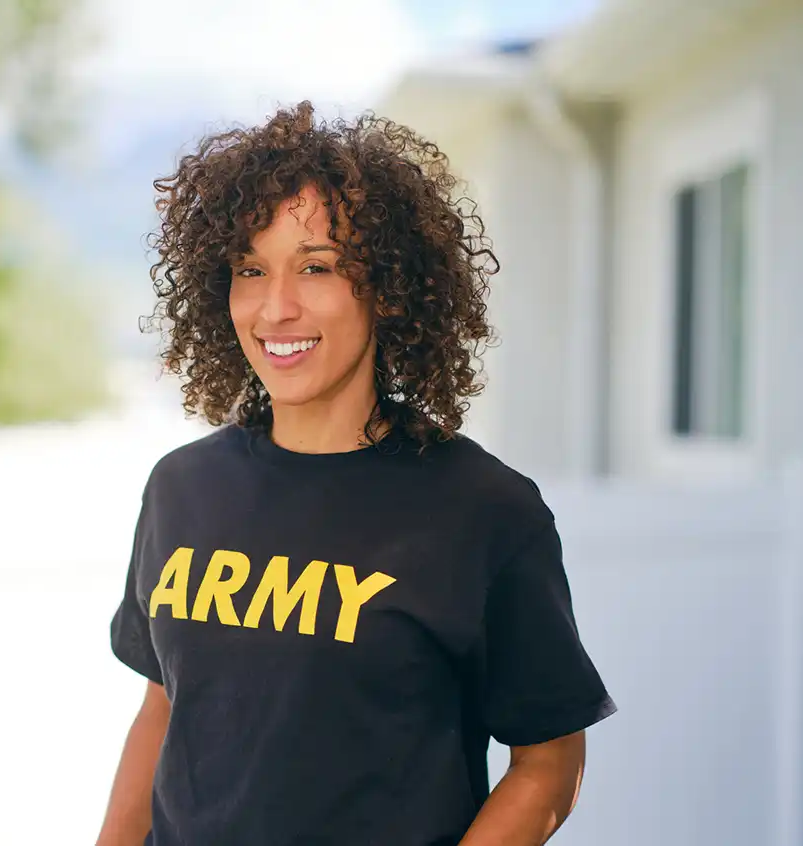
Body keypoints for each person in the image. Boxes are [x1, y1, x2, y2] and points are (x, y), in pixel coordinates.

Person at [93, 102, 615, 846]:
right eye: (250, 270)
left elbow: (549, 763)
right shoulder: (181, 488)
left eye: (317, 267)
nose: (276, 308)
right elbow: (164, 709)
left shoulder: (482, 510)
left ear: (387, 287)